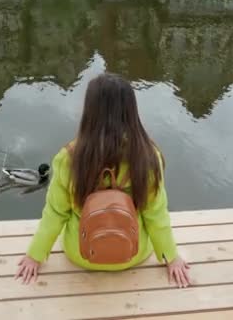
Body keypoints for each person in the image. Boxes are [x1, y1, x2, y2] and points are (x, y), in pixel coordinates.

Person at [15, 73, 191, 288]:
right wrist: (172, 257)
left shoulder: (69, 157)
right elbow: (156, 214)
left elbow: (55, 213)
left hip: (82, 253)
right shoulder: (148, 156)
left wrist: (35, 255)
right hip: (133, 254)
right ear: (131, 111)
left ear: (89, 111)